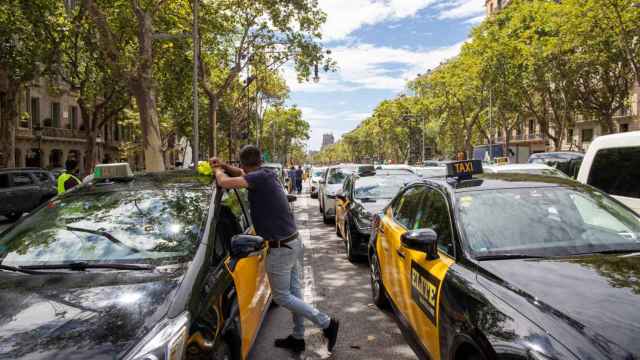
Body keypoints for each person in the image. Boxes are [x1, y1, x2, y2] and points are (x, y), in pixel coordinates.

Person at [211, 145, 340, 353]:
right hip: (292, 242)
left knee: (281, 297)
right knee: (295, 293)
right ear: (259, 161)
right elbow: (241, 174)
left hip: (281, 249)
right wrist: (224, 165)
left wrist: (216, 169)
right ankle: (298, 337)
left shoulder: (257, 179)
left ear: (244, 163)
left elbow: (224, 182)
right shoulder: (265, 174)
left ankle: (326, 324)